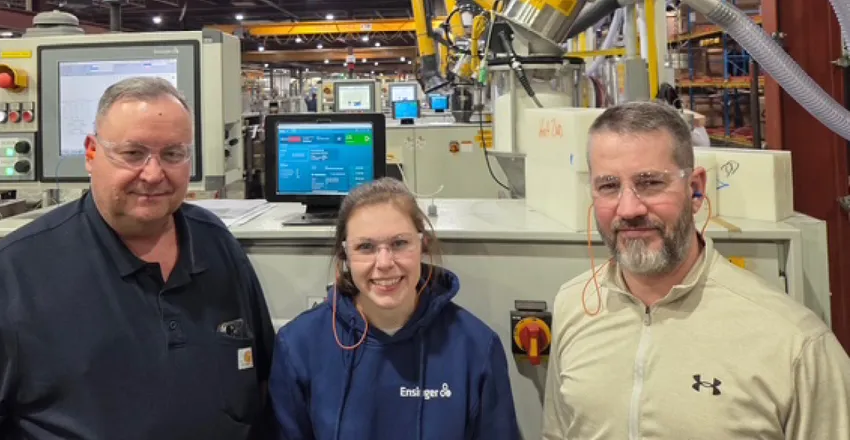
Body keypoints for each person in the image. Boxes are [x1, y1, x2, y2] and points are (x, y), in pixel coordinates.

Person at [0, 77, 275, 439]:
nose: (154, 174)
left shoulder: (215, 244)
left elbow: (262, 382)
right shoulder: (9, 279)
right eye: (133, 153)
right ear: (92, 153)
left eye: (173, 154)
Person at [541, 101, 850, 439]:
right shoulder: (574, 305)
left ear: (696, 190)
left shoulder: (794, 342)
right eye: (609, 186)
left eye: (650, 183)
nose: (628, 209)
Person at [268, 177, 521, 440]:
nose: (384, 262)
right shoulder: (298, 346)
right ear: (345, 255)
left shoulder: (476, 348)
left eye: (399, 243)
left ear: (422, 245)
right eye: (365, 247)